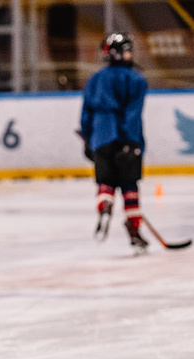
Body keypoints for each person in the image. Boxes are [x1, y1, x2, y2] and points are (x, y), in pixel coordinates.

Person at [79, 32, 149, 252]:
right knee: (129, 186)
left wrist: (88, 140)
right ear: (119, 53)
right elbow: (132, 114)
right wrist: (131, 142)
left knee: (106, 181)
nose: (129, 54)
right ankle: (134, 230)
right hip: (125, 136)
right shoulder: (136, 79)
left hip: (101, 136)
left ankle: (105, 204)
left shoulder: (95, 79)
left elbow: (86, 114)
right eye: (127, 50)